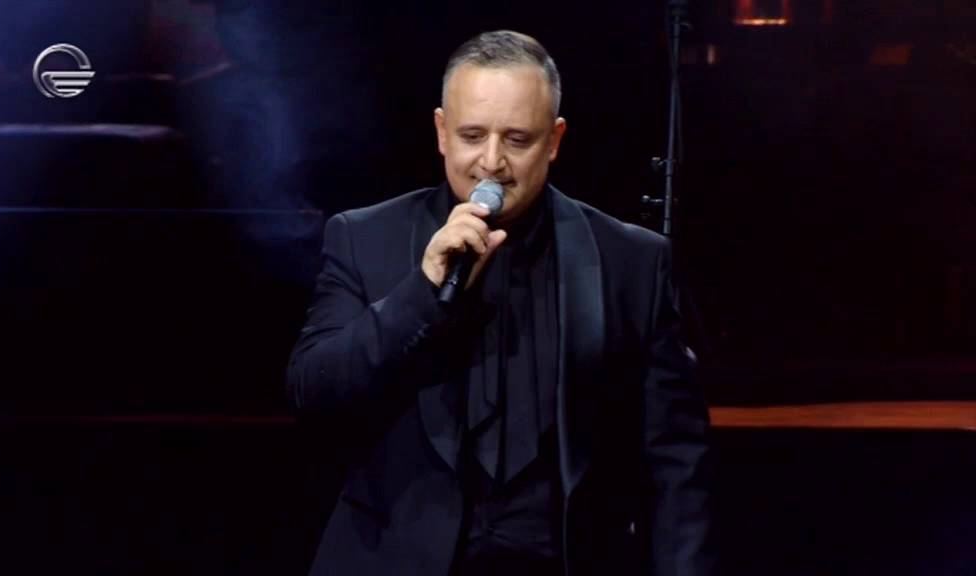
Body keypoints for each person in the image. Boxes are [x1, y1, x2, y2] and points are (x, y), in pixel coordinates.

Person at [287, 30, 715, 576]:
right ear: (442, 132)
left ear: (554, 141)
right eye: (472, 135)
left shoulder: (631, 260)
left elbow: (675, 461)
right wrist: (422, 292)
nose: (491, 162)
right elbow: (314, 391)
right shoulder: (364, 237)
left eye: (517, 139)